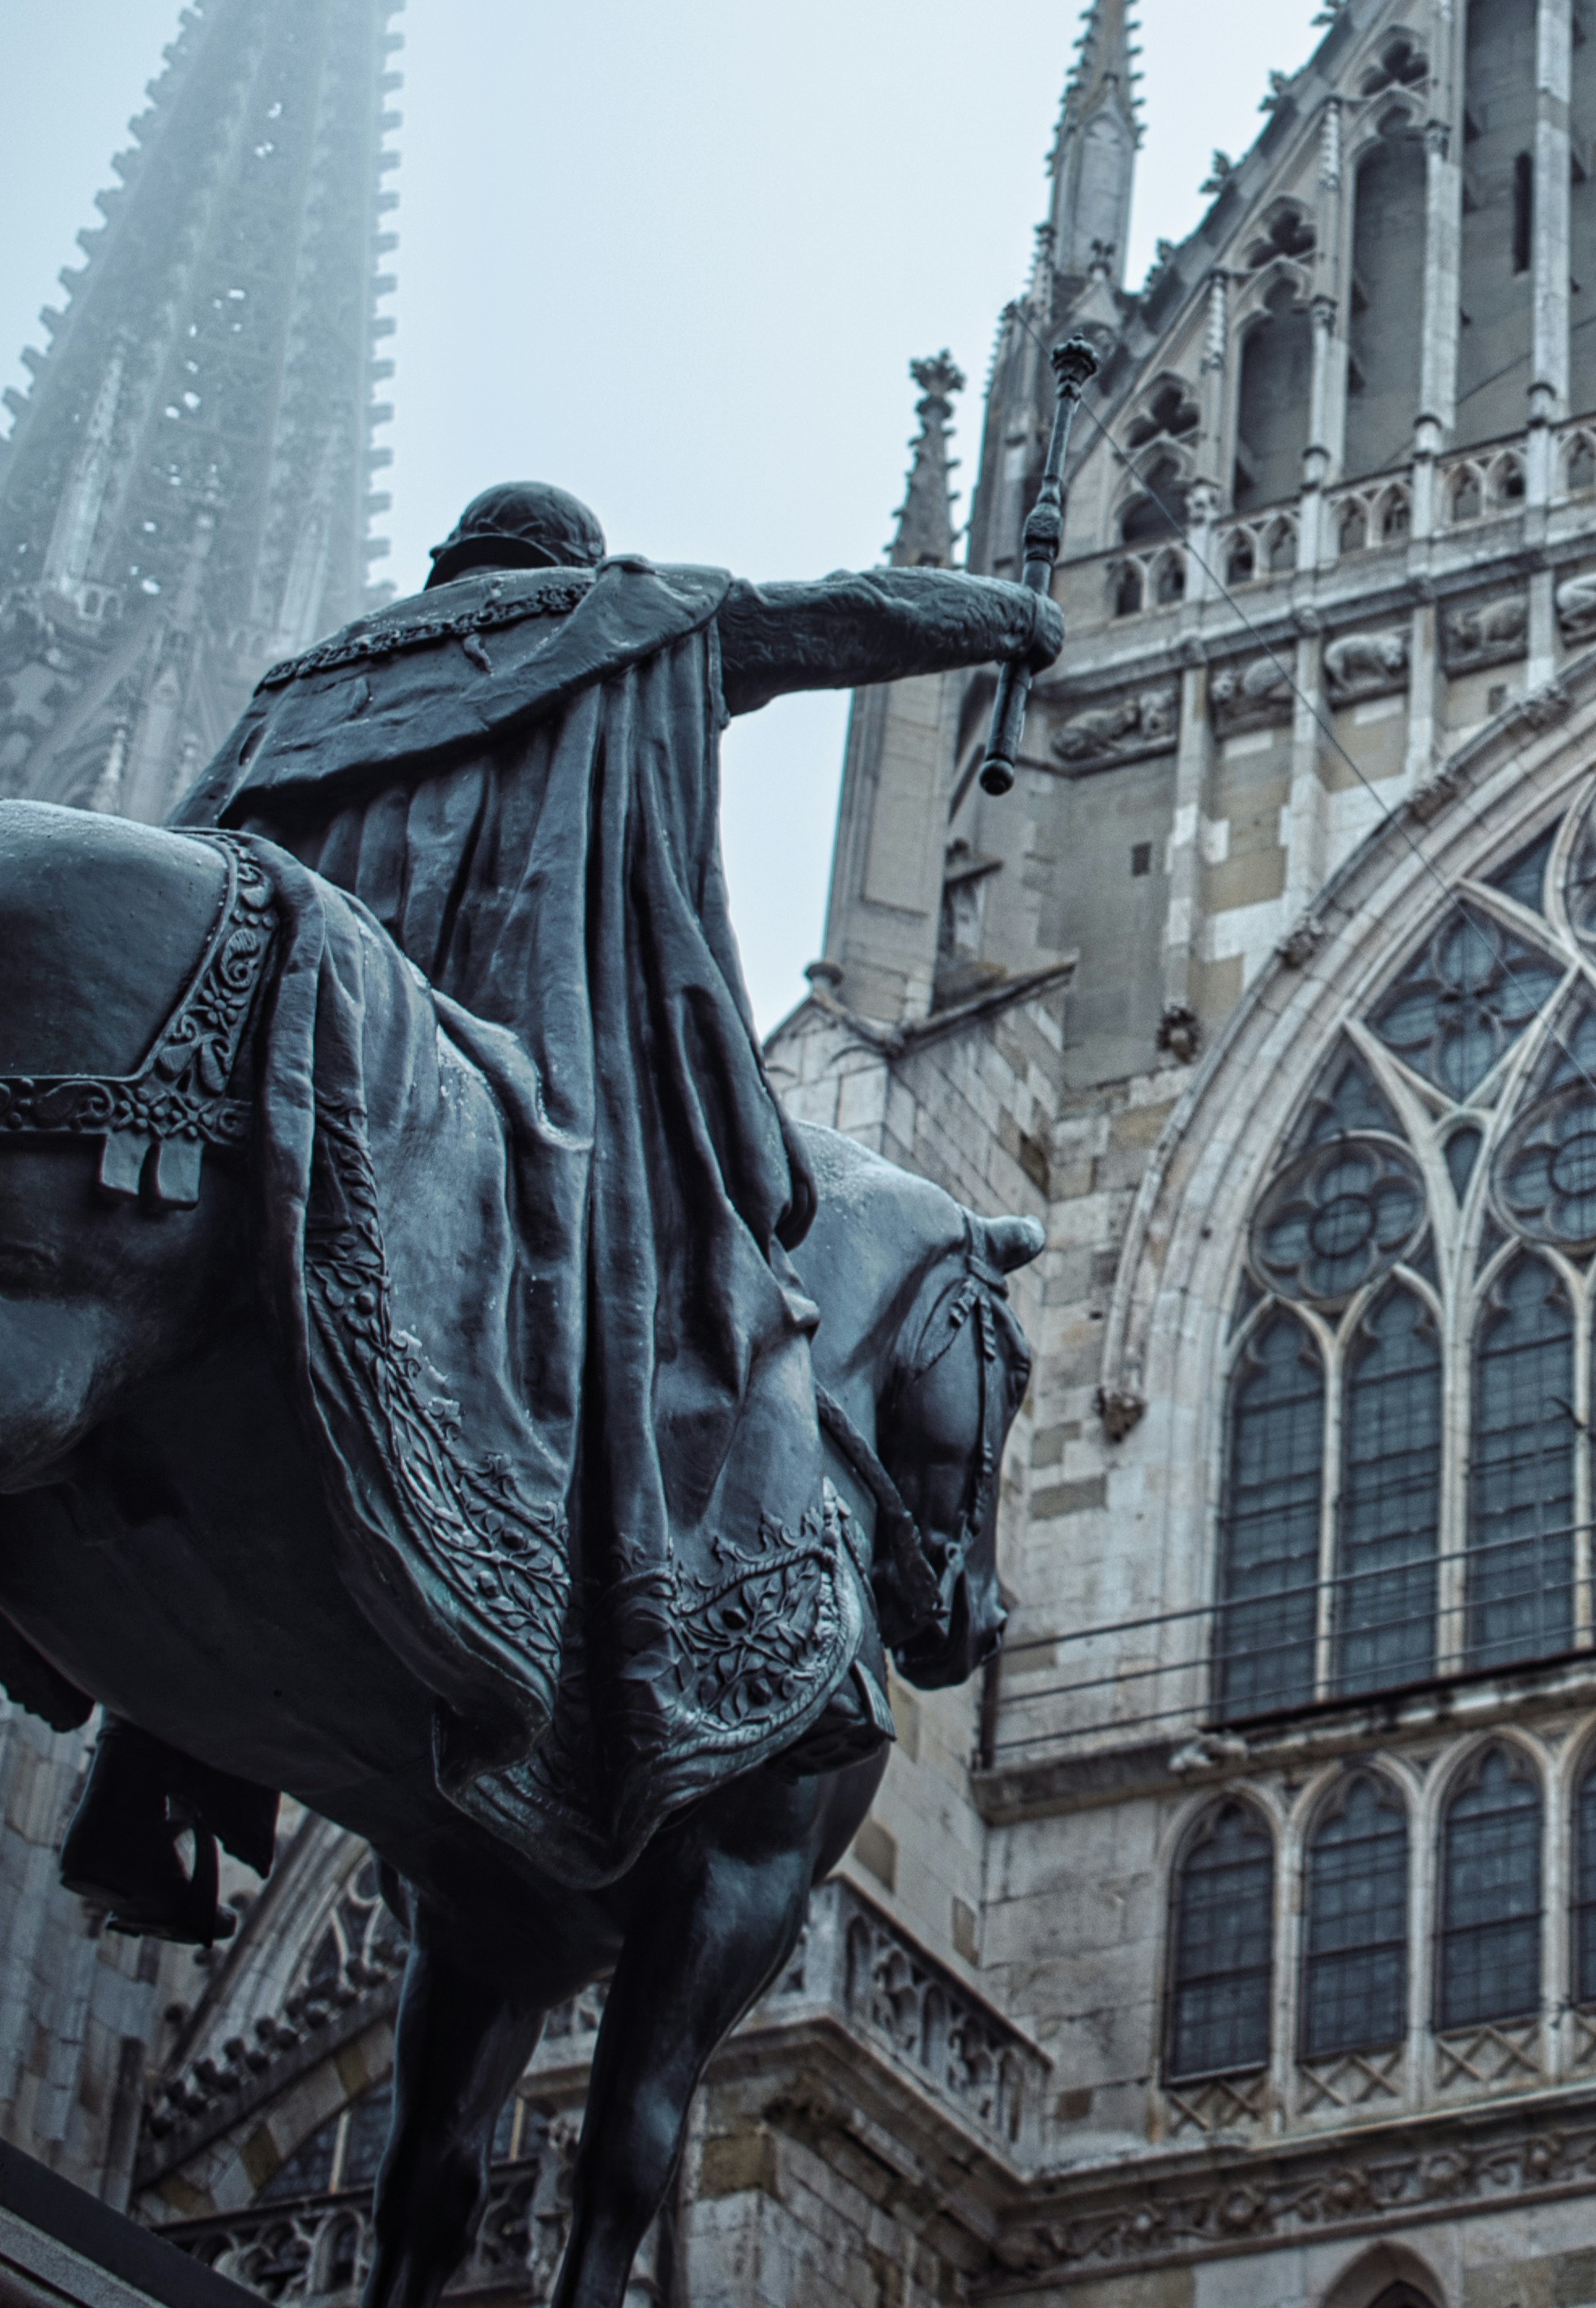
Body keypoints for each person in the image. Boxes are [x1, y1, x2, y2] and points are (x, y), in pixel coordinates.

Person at [57, 479, 1055, 1935]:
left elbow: (171, 865)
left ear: (449, 567)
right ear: (564, 567)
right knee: (685, 1332)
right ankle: (628, 1672)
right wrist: (1005, 615)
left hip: (269, 1076)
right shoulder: (611, 622)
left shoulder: (308, 683)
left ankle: (145, 1767)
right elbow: (844, 615)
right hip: (481, 1076)